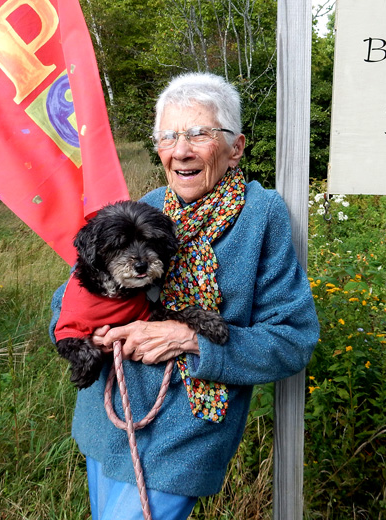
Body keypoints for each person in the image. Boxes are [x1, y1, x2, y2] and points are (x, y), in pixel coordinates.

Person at [49, 72, 319, 520]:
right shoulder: (149, 206)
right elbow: (71, 294)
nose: (181, 150)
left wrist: (189, 339)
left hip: (182, 435)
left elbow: (293, 339)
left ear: (236, 148)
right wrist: (88, 333)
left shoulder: (261, 216)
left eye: (199, 133)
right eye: (168, 136)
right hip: (106, 417)